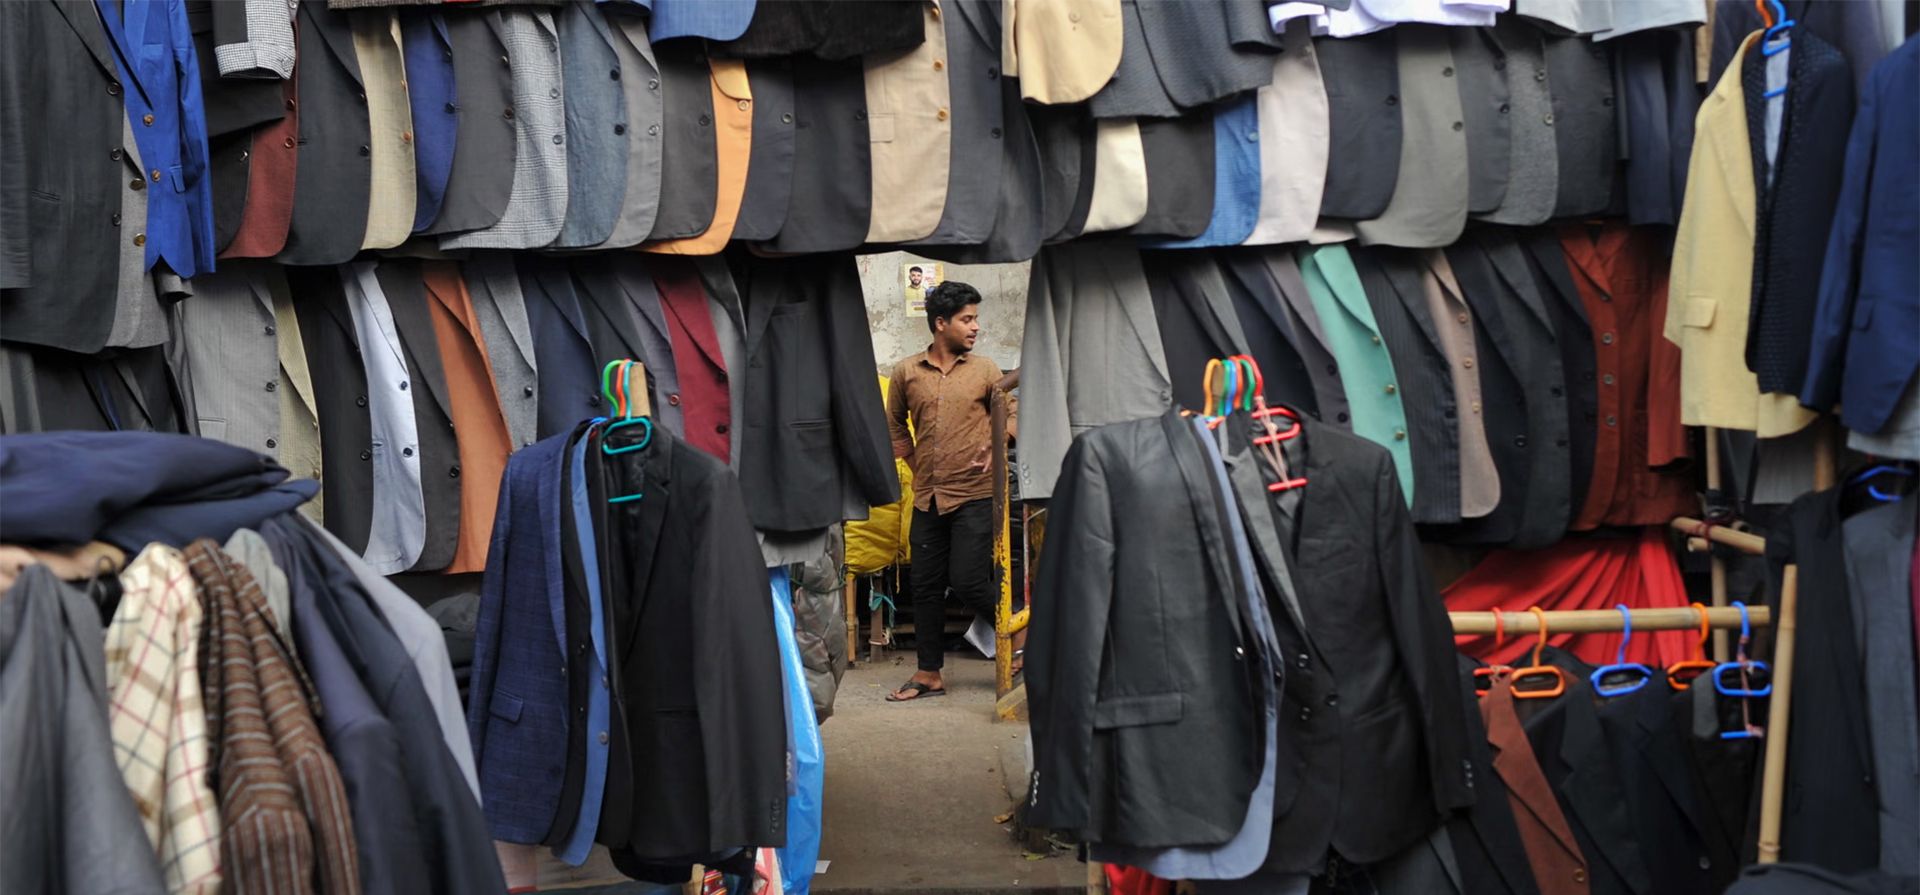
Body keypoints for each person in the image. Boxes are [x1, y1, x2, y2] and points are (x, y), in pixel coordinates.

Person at [884, 282, 1019, 702]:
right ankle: (928, 674)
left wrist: (1000, 444)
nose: (976, 326)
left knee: (966, 578)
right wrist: (918, 466)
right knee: (923, 584)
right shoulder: (907, 372)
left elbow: (1012, 414)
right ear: (941, 324)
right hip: (928, 497)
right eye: (967, 319)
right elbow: (894, 429)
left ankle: (1023, 637)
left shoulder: (985, 370)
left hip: (977, 495)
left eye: (975, 318)